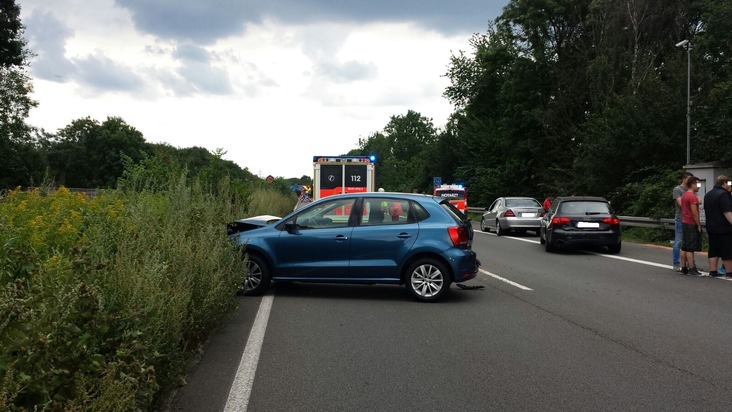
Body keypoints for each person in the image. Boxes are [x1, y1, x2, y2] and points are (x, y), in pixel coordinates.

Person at [703, 176, 732, 277]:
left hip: (711, 227)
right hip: (724, 228)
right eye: (729, 183)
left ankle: (713, 271)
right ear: (724, 183)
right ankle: (729, 272)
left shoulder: (708, 194)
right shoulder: (724, 195)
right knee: (727, 250)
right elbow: (727, 211)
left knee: (713, 249)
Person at [680, 175, 703, 276]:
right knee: (690, 247)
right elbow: (694, 212)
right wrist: (698, 225)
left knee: (684, 246)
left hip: (684, 221)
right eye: (698, 184)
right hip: (691, 222)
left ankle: (683, 267)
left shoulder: (685, 194)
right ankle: (692, 268)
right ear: (693, 184)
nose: (699, 186)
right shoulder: (692, 196)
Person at [672, 171, 694, 272]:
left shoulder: (691, 190)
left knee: (689, 243)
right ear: (684, 179)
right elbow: (682, 204)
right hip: (680, 219)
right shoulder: (677, 189)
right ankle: (676, 263)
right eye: (689, 179)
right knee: (678, 242)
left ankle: (690, 263)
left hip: (690, 219)